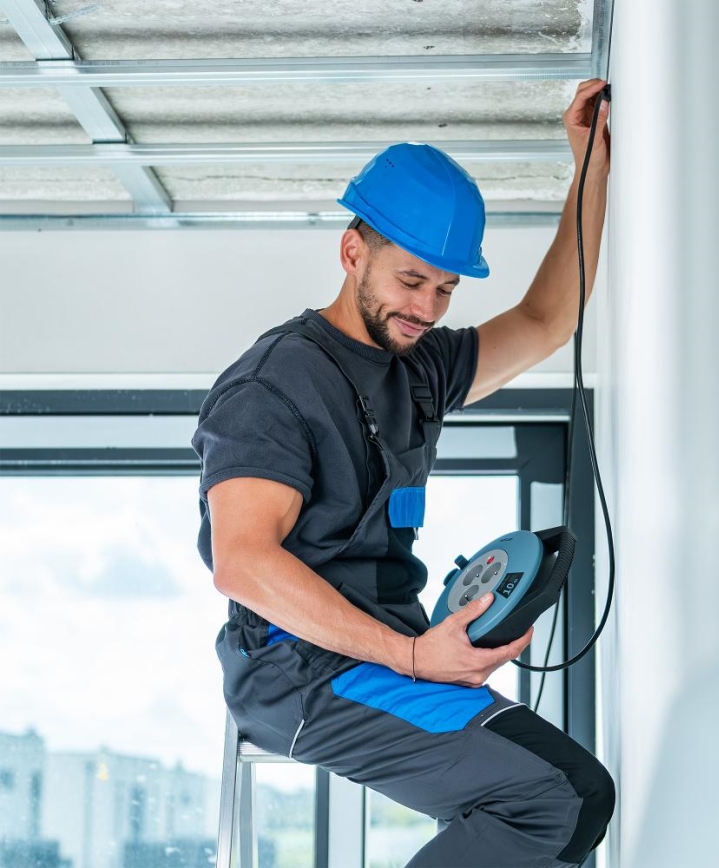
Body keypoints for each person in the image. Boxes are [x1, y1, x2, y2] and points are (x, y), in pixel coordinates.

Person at [192, 79, 615, 868]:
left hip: (390, 652)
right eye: (412, 281)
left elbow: (548, 320)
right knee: (556, 795)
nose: (428, 307)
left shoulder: (415, 364)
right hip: (303, 675)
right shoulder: (272, 386)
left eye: (447, 290)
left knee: (569, 791)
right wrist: (417, 659)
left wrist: (591, 163)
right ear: (354, 251)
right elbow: (242, 562)